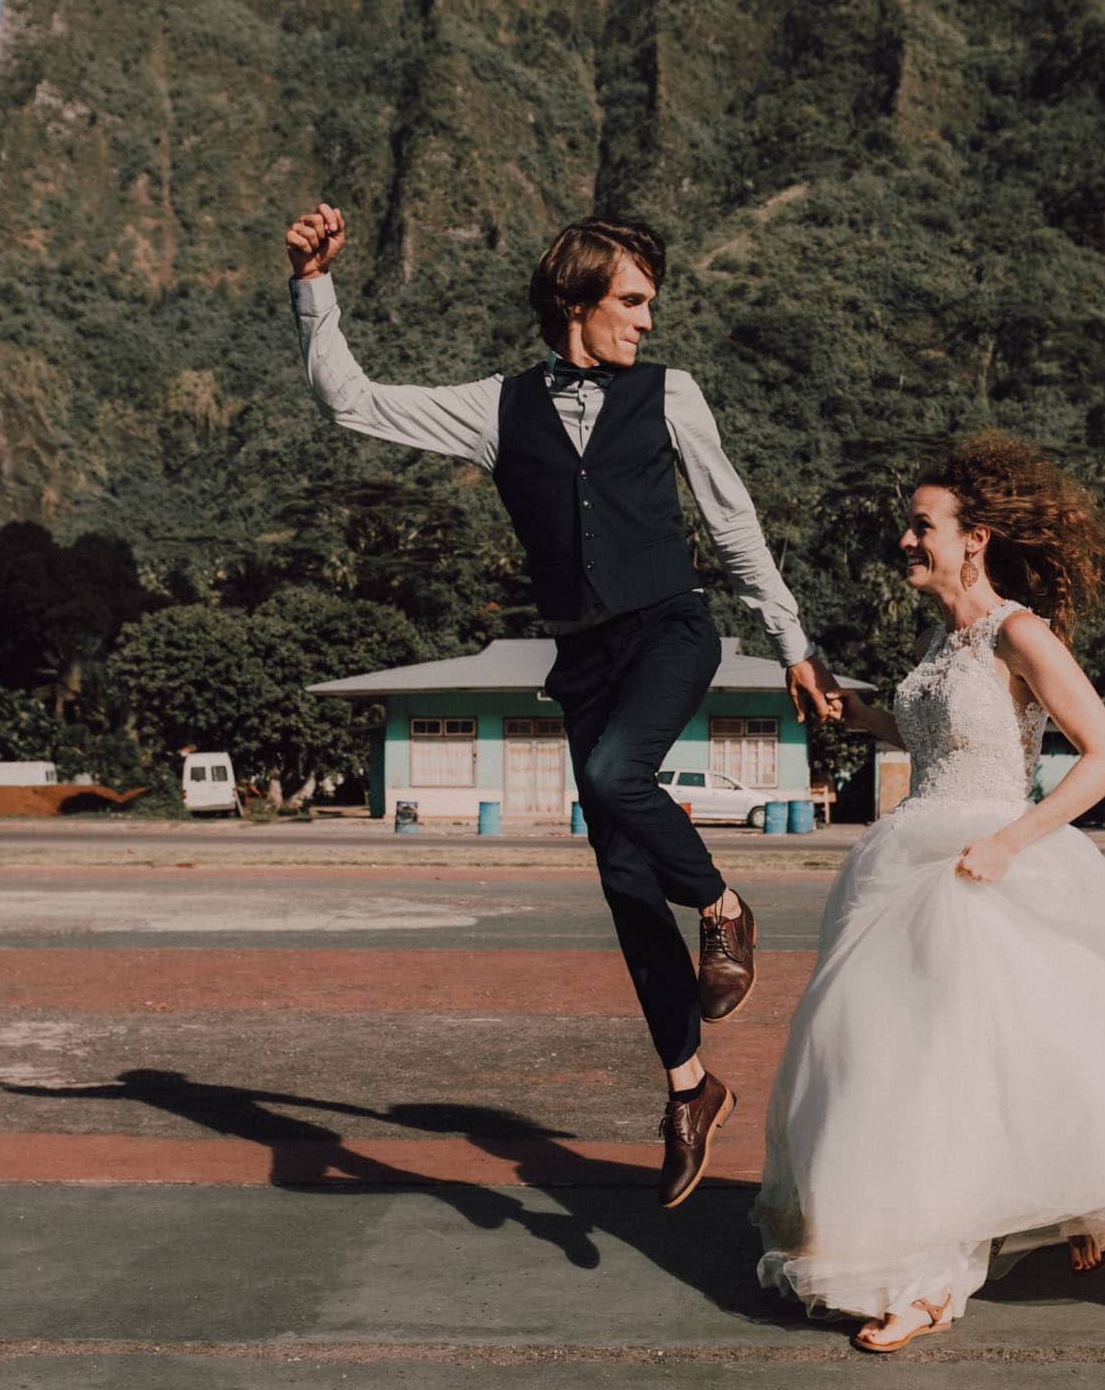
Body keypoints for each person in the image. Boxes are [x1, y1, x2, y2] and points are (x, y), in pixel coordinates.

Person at [283, 202, 845, 1208]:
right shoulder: (496, 408)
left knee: (610, 775)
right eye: (631, 300)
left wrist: (791, 642)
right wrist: (313, 285)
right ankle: (688, 1089)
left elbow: (731, 520)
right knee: (625, 880)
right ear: (577, 299)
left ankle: (723, 908)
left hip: (672, 630)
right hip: (582, 656)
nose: (644, 319)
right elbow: (348, 401)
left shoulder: (670, 394)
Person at [752, 432, 1105, 1352]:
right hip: (907, 864)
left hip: (992, 865)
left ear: (974, 536)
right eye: (907, 527)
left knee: (984, 1063)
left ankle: (934, 1275)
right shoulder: (942, 642)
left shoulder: (1020, 632)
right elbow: (930, 738)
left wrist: (1009, 842)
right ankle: (944, 1233)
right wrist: (852, 709)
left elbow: (1102, 758)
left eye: (922, 526)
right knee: (892, 1059)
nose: (905, 541)